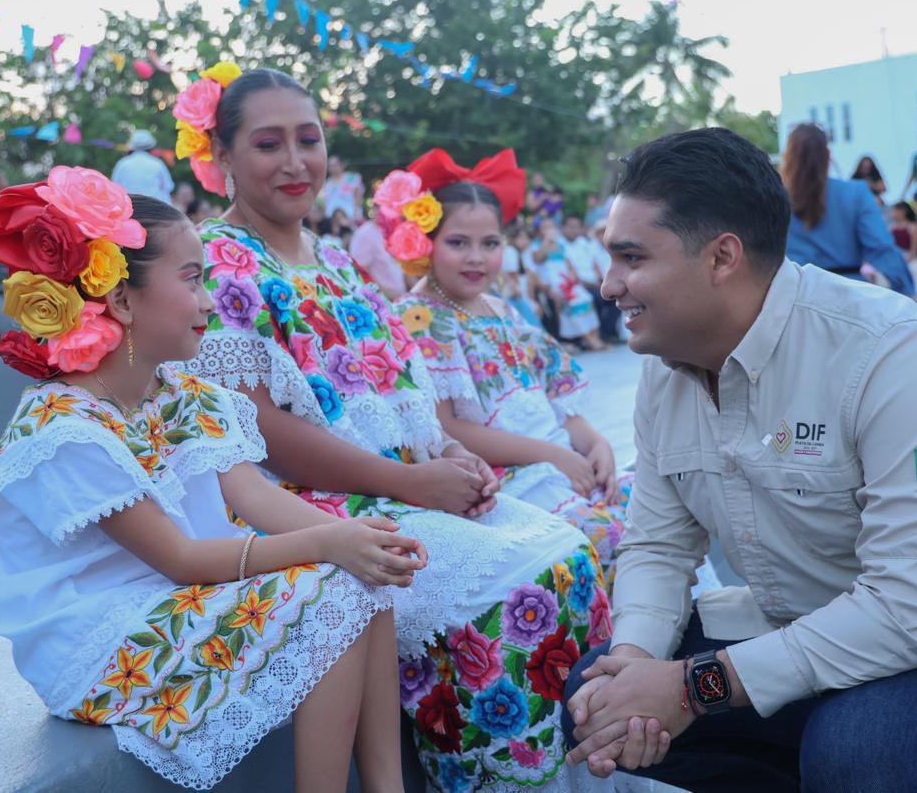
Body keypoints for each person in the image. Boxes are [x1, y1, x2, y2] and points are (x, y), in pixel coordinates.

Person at [559, 128, 917, 791]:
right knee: (593, 699)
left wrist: (691, 689)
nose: (608, 285)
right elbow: (658, 546)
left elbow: (913, 607)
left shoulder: (892, 354)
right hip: (802, 616)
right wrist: (632, 667)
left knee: (867, 751)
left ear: (721, 257)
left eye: (631, 258)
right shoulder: (667, 371)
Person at [172, 64, 607, 790]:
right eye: (267, 143)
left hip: (402, 486)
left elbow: (403, 386)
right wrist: (412, 482)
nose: (294, 161)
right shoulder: (220, 263)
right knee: (519, 581)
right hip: (313, 507)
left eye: (307, 139)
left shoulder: (337, 259)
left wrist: (452, 456)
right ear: (220, 155)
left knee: (573, 551)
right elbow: (261, 432)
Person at [0, 173, 414, 791]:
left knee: (361, 578)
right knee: (332, 587)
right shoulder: (61, 427)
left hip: (174, 595)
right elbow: (180, 557)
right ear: (121, 301)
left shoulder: (184, 395)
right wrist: (328, 545)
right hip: (96, 638)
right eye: (192, 279)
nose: (208, 300)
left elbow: (254, 496)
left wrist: (355, 535)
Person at [387, 148, 631, 577]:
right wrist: (554, 456)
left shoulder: (502, 308)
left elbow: (551, 393)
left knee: (657, 513)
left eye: (491, 243)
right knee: (608, 537)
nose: (477, 257)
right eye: (458, 243)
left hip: (558, 460)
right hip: (508, 478)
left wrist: (595, 444)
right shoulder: (418, 318)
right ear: (425, 242)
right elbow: (449, 428)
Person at [781, 124, 914, 296]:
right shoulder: (856, 193)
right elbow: (880, 247)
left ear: (788, 156)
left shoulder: (773, 198)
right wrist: (905, 290)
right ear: (828, 156)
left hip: (795, 297)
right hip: (848, 296)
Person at [527, 218, 606, 350]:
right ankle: (588, 340)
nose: (550, 230)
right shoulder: (536, 246)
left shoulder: (561, 246)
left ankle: (595, 337)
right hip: (553, 286)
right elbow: (538, 260)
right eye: (545, 228)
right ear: (539, 231)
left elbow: (570, 266)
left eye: (551, 227)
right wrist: (547, 241)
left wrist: (574, 279)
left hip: (568, 283)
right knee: (572, 304)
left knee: (587, 299)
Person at [562, 213, 621, 343]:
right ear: (563, 228)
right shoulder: (561, 246)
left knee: (617, 297)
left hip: (595, 282)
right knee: (598, 299)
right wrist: (593, 284)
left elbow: (594, 264)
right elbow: (573, 273)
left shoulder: (583, 243)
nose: (574, 230)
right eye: (571, 227)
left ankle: (607, 332)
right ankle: (599, 336)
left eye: (577, 227)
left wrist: (601, 280)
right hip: (579, 286)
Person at [348, 215, 407, 300]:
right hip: (380, 303)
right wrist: (387, 295)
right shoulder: (364, 234)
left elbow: (402, 267)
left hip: (400, 299)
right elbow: (360, 272)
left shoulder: (393, 229)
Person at [499, 222, 545, 328]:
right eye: (522, 238)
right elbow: (513, 276)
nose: (526, 241)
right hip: (516, 294)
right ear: (514, 239)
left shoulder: (519, 253)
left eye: (527, 238)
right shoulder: (511, 252)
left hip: (521, 293)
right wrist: (524, 298)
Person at [112, 129, 174, 203]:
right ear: (151, 147)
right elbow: (168, 187)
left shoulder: (122, 164)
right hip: (155, 208)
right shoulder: (157, 164)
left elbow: (114, 189)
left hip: (130, 208)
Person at [888, 201, 917, 303]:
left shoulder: (912, 227)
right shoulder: (891, 228)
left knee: (915, 269)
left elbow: (914, 248)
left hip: (910, 257)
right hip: (896, 258)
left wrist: (909, 258)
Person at [320, 155, 364, 223]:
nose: (333, 168)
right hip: (332, 220)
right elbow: (325, 202)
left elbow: (358, 197)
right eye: (330, 166)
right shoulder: (327, 184)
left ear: (341, 165)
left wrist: (356, 213)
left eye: (335, 165)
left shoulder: (352, 178)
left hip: (351, 216)